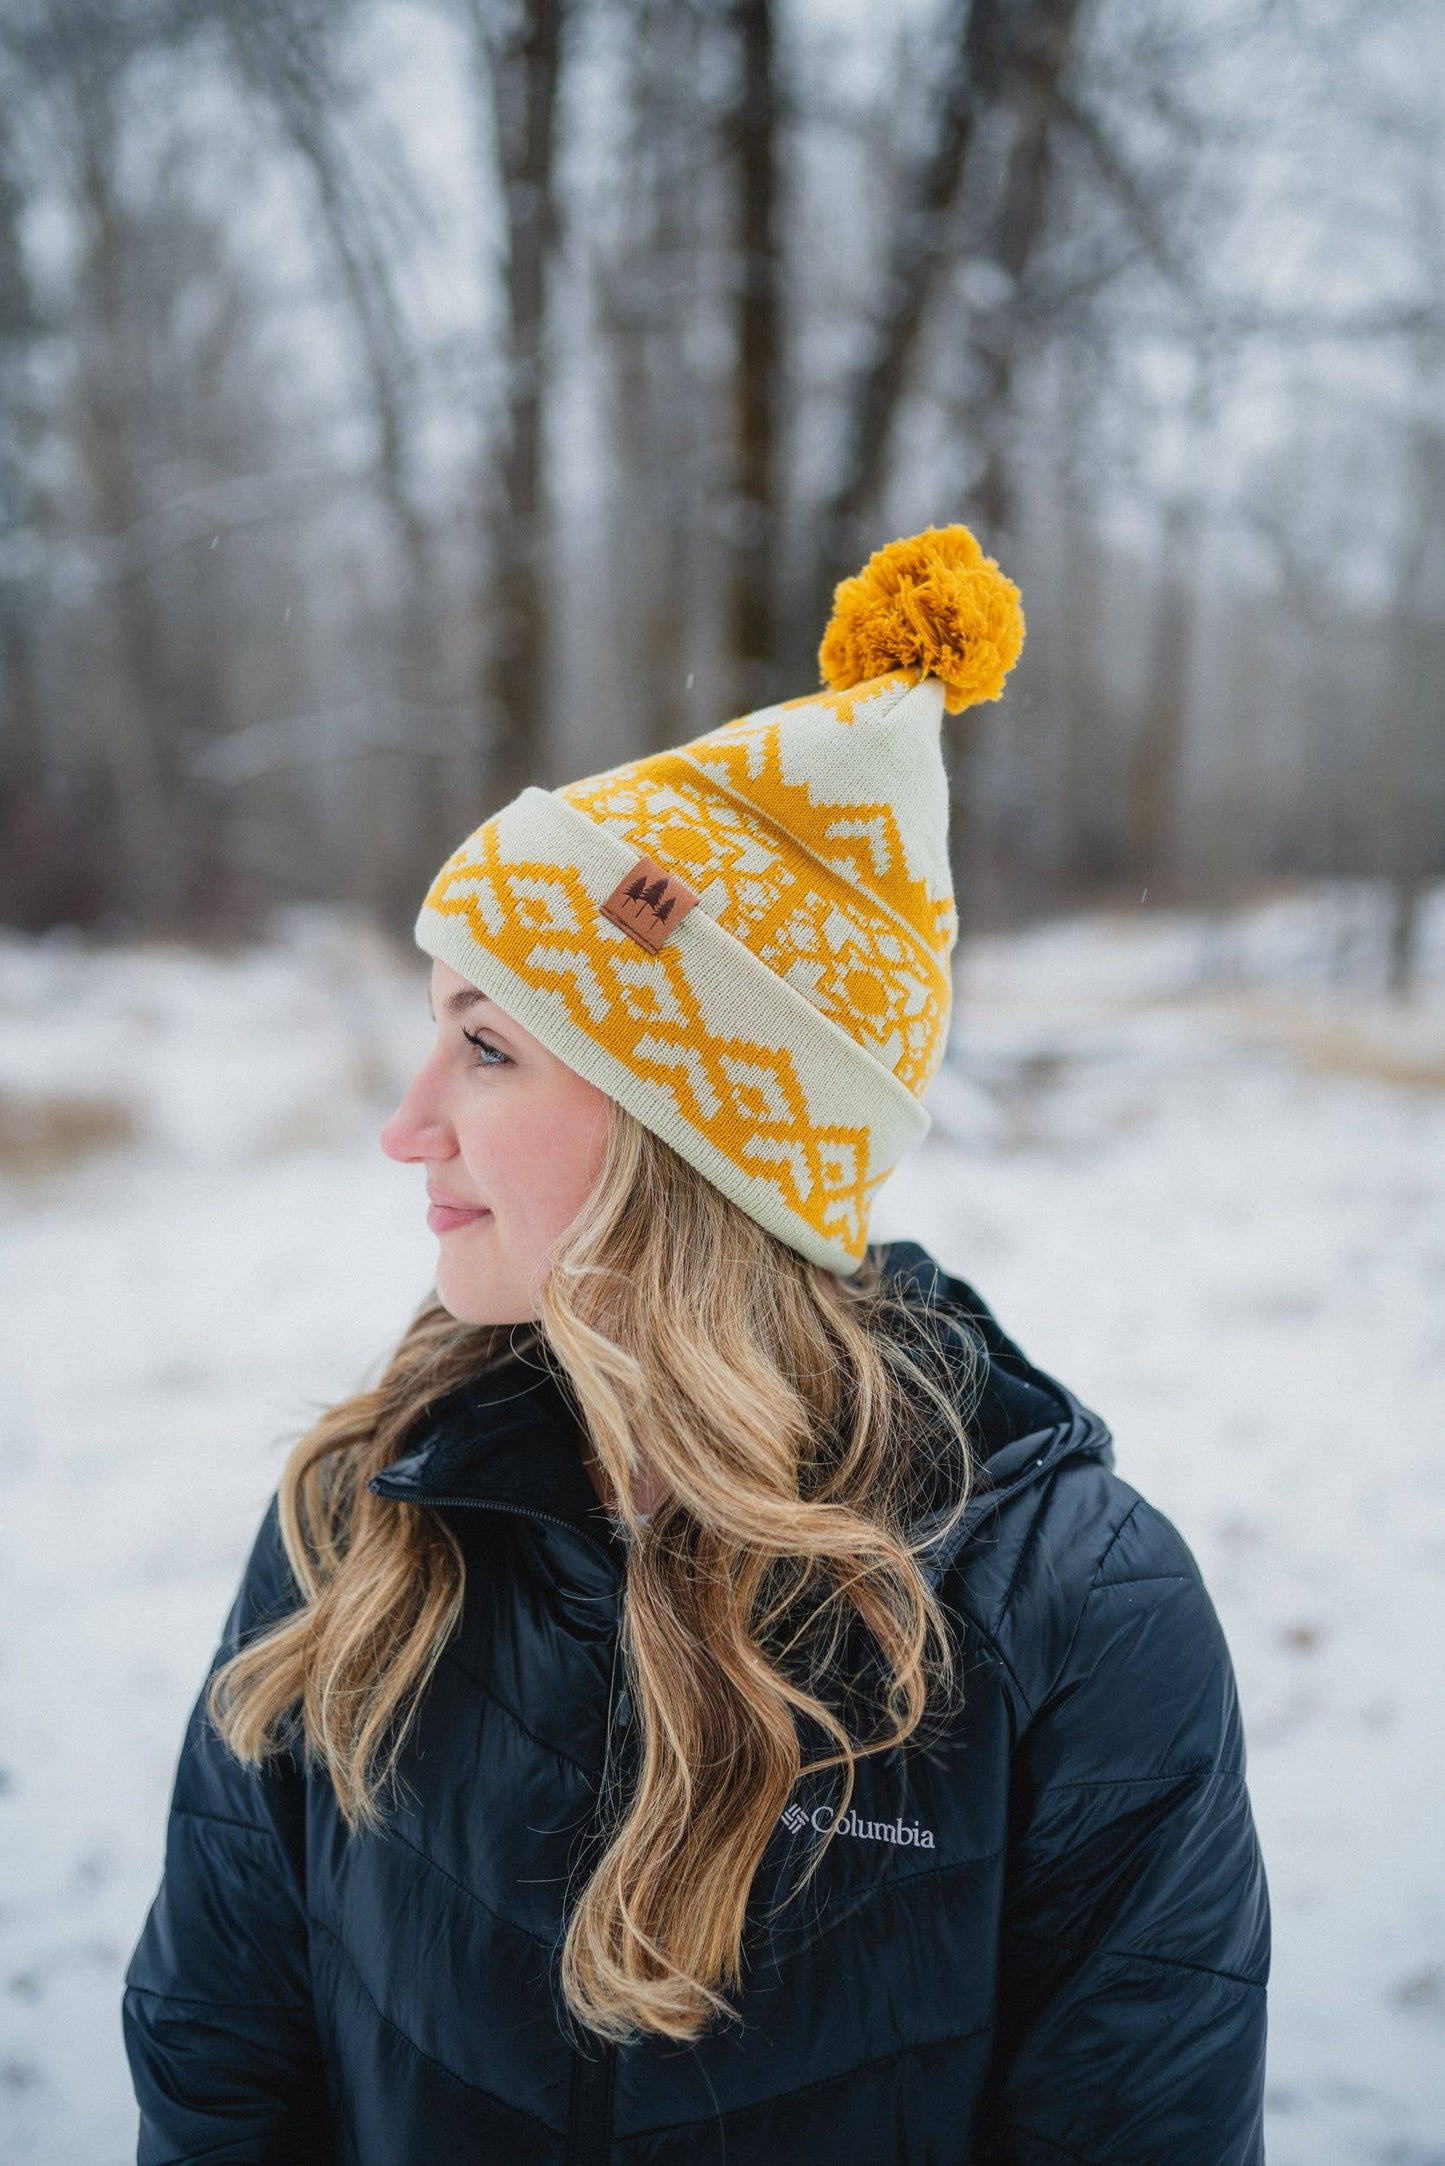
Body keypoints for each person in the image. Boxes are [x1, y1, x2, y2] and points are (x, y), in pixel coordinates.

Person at [123, 527, 1269, 2163]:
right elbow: (219, 2069)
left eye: (487, 1048)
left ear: (694, 1135)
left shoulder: (1067, 1608)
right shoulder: (361, 1518)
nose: (406, 1125)